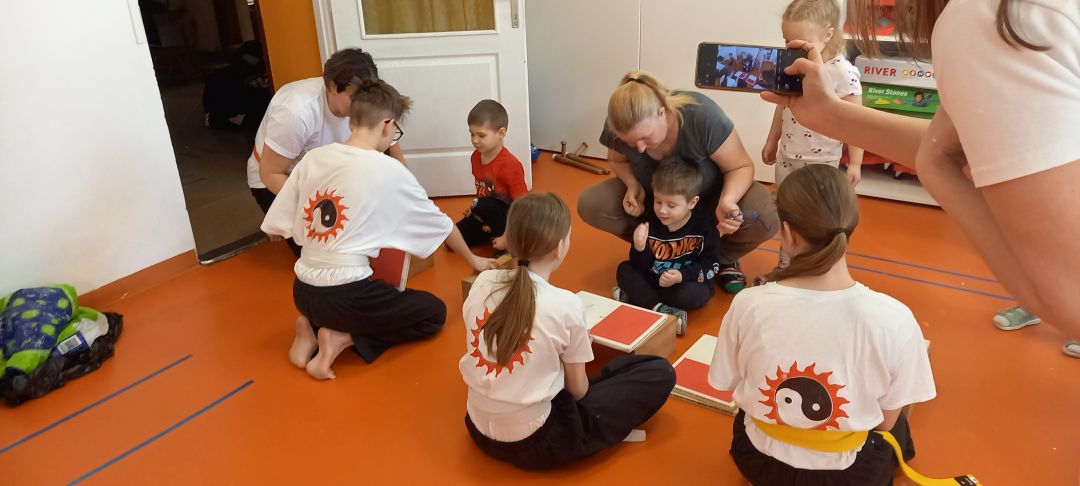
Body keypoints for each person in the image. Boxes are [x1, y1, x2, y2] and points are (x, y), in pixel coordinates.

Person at [761, 0, 1080, 343]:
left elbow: (1068, 297)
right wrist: (829, 115)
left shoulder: (985, 20)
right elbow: (965, 144)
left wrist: (935, 165)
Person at [709, 165, 936, 485]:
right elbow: (885, 424)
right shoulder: (895, 318)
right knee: (897, 426)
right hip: (851, 477)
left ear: (786, 232)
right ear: (851, 226)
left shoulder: (748, 303)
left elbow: (727, 382)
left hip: (760, 464)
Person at [261, 79, 482, 380]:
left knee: (374, 294)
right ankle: (342, 338)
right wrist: (473, 259)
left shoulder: (313, 158)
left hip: (302, 290)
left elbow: (285, 222)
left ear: (352, 121)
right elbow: (441, 224)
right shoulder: (388, 169)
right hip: (346, 296)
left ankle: (311, 327)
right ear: (387, 125)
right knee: (433, 312)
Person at [460, 193, 676, 470]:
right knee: (659, 372)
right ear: (559, 247)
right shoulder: (566, 304)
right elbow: (578, 391)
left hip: (478, 428)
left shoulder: (484, 281)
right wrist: (573, 353)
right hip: (538, 443)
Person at [578, 71, 779, 294]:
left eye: (645, 137)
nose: (640, 148)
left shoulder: (702, 116)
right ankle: (659, 251)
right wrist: (633, 185)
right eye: (631, 142)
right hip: (658, 203)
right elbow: (617, 160)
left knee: (768, 216)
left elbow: (740, 166)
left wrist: (728, 200)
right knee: (592, 203)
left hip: (709, 200)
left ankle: (717, 257)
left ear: (662, 113)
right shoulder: (618, 124)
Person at [247, 48, 406, 256]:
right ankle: (278, 219)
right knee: (330, 254)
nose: (362, 106)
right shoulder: (296, 112)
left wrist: (402, 188)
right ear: (331, 86)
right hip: (282, 178)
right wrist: (325, 208)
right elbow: (269, 173)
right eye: (354, 97)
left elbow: (390, 142)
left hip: (331, 172)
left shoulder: (368, 98)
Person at [759, 0, 866, 284]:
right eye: (787, 41)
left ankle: (816, 274)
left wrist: (855, 163)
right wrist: (772, 139)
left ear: (828, 34)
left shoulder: (842, 73)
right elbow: (783, 105)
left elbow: (857, 122)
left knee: (815, 221)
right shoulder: (793, 65)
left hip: (821, 163)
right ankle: (785, 270)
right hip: (787, 157)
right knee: (788, 218)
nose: (791, 48)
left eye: (801, 42)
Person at [614, 159, 720, 335]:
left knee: (695, 295)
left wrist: (681, 275)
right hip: (653, 277)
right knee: (624, 270)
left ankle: (639, 297)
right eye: (658, 202)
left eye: (671, 205)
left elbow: (711, 265)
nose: (662, 210)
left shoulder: (705, 227)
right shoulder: (649, 221)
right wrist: (640, 248)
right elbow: (640, 266)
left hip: (682, 284)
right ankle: (658, 307)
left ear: (692, 203)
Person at [456, 99, 528, 253]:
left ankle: (509, 238)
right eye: (472, 134)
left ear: (501, 133)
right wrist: (475, 208)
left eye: (481, 135)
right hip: (487, 213)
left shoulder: (511, 165)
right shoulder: (475, 157)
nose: (475, 140)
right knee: (453, 240)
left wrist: (507, 236)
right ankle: (489, 229)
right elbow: (483, 191)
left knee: (491, 207)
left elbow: (522, 206)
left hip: (508, 218)